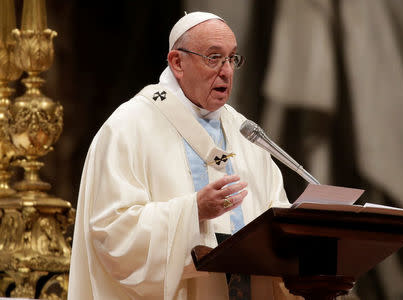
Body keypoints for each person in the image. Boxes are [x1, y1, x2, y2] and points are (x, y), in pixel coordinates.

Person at [68, 12, 292, 300]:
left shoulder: (245, 134)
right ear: (177, 62)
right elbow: (112, 232)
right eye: (214, 58)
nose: (226, 71)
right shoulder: (130, 127)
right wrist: (193, 211)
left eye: (232, 58)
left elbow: (277, 219)